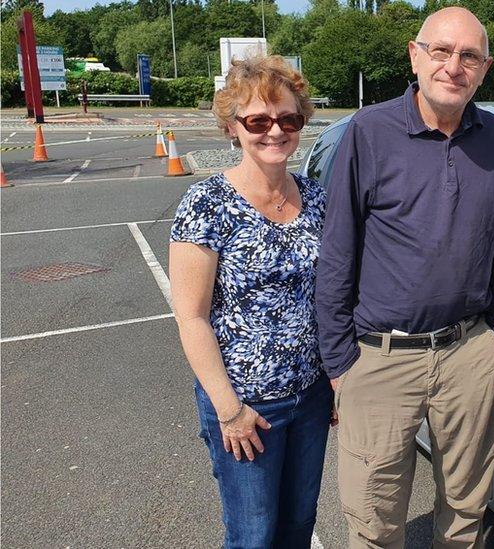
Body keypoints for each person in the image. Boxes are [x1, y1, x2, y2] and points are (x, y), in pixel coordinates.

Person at [315, 7, 494, 548]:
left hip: (469, 352)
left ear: (484, 67)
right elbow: (337, 251)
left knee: (466, 511)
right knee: (375, 520)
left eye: (469, 56)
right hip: (380, 360)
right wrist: (340, 362)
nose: (454, 66)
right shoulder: (369, 131)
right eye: (442, 51)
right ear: (415, 54)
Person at [169, 55, 332, 549]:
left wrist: (335, 379)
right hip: (246, 405)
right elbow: (192, 317)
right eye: (259, 120)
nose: (275, 131)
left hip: (311, 396)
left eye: (288, 119)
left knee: (299, 523)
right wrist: (229, 409)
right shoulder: (207, 204)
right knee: (252, 535)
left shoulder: (317, 198)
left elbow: (329, 297)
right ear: (232, 127)